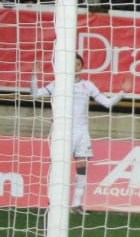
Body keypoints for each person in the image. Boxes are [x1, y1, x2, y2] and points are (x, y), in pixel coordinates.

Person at [30, 54, 131, 214]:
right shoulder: (58, 84)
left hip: (82, 134)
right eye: (72, 64)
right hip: (62, 133)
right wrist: (34, 75)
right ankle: (54, 203)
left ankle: (76, 205)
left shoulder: (88, 86)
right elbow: (35, 95)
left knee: (82, 170)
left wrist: (122, 93)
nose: (75, 66)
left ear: (81, 67)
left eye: (78, 64)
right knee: (59, 170)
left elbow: (107, 103)